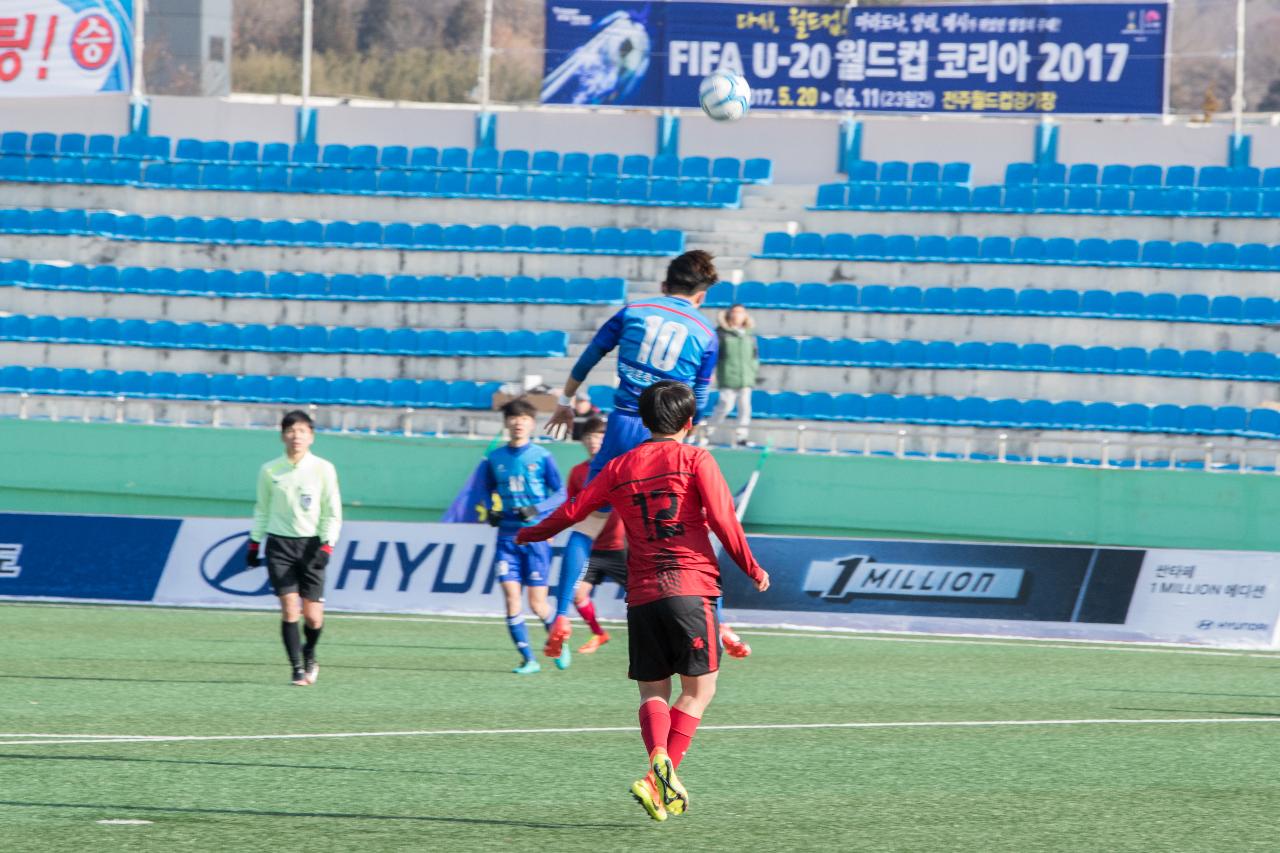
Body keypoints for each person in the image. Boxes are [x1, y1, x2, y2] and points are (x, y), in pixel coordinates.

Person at [518, 381, 770, 821]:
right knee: (700, 690)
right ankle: (657, 776)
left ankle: (656, 759)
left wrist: (531, 533)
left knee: (653, 688)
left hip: (642, 596)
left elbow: (575, 511)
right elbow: (725, 521)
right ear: (689, 423)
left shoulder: (619, 464)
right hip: (690, 587)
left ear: (643, 422)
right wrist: (752, 568)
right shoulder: (696, 459)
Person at [541, 250, 721, 659]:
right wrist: (691, 431)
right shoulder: (705, 333)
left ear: (664, 285)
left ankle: (561, 614)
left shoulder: (633, 310)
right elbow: (703, 400)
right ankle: (714, 622)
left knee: (587, 525)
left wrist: (566, 401)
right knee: (686, 532)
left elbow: (590, 356)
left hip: (621, 426)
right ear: (701, 296)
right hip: (668, 437)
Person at [247, 410, 342, 687]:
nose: (295, 436)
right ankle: (296, 669)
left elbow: (332, 511)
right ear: (282, 436)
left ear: (311, 437)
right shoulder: (270, 470)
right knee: (290, 610)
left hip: (312, 545)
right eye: (290, 431)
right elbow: (262, 508)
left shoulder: (324, 469)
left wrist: (328, 545)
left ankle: (310, 652)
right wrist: (254, 543)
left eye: (302, 431)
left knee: (313, 618)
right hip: (279, 544)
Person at [484, 398, 568, 674]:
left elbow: (562, 493)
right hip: (507, 538)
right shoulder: (494, 458)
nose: (518, 422)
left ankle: (559, 640)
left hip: (535, 537)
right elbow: (485, 492)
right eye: (513, 418)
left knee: (537, 603)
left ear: (532, 424)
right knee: (511, 598)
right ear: (506, 422)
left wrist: (537, 509)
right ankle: (528, 659)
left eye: (524, 418)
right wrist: (490, 511)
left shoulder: (542, 457)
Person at [567, 416, 628, 653]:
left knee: (645, 599)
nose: (593, 441)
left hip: (620, 547)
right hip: (591, 548)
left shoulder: (619, 467)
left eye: (599, 436)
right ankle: (598, 634)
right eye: (589, 436)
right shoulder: (577, 473)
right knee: (578, 595)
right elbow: (571, 504)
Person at [709, 303, 759, 447]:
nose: (738, 315)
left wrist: (753, 371)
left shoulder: (749, 334)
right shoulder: (721, 333)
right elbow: (714, 355)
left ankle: (741, 437)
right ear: (729, 314)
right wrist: (712, 371)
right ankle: (706, 433)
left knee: (745, 408)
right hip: (728, 375)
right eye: (735, 312)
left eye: (741, 312)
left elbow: (754, 355)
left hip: (746, 377)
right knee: (724, 406)